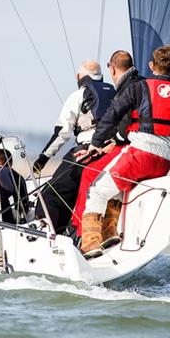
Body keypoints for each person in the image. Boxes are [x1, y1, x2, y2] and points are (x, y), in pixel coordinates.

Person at [76, 45, 170, 259]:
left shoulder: (139, 88)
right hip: (165, 161)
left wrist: (96, 142)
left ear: (151, 66)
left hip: (140, 155)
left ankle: (90, 244)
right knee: (119, 184)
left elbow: (113, 114)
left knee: (96, 189)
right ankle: (108, 232)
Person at [32, 60, 118, 231]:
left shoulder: (79, 95)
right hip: (116, 151)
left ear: (80, 77)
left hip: (88, 150)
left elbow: (62, 133)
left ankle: (51, 234)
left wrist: (42, 160)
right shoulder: (117, 93)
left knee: (52, 195)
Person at [70, 50, 143, 237]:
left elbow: (119, 120)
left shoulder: (129, 88)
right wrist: (108, 142)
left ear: (112, 69)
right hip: (147, 145)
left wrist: (97, 144)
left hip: (131, 147)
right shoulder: (140, 84)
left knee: (89, 174)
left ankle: (82, 233)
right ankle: (108, 228)